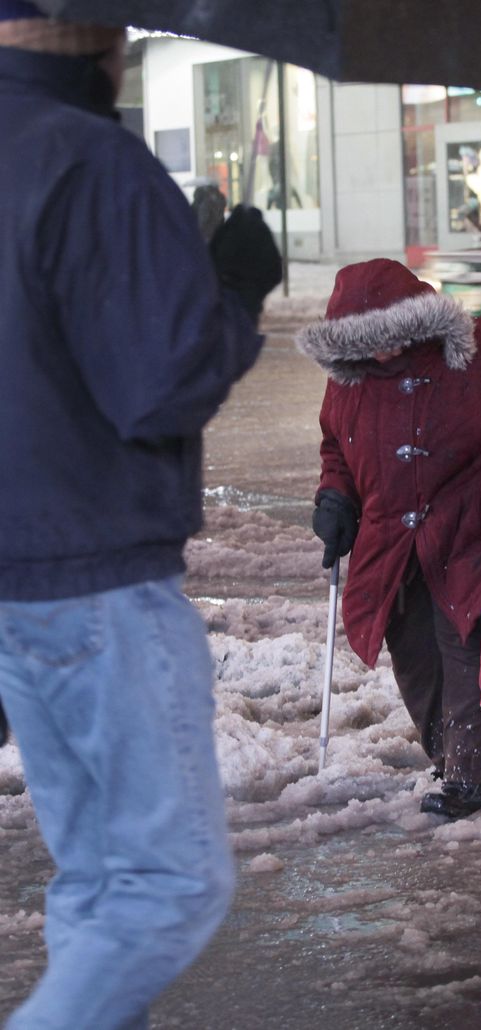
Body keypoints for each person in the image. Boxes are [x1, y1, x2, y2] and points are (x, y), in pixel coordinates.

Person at [0, 4, 282, 1028]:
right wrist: (234, 291)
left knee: (96, 880)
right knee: (169, 885)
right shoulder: (94, 163)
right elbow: (158, 385)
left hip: (17, 582)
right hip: (99, 583)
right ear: (100, 42)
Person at [297, 259, 481, 819]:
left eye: (389, 341)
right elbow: (336, 446)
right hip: (392, 539)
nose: (377, 356)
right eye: (362, 346)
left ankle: (469, 780)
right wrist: (335, 497)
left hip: (473, 526)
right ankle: (448, 757)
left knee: (467, 645)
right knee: (415, 656)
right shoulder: (349, 378)